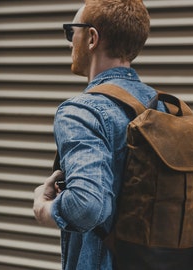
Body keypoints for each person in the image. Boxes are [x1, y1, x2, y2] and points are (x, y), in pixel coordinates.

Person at [33, 0, 166, 269]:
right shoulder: (165, 108)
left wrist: (45, 210)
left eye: (73, 32)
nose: (71, 43)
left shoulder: (82, 111)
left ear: (92, 37)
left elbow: (87, 206)